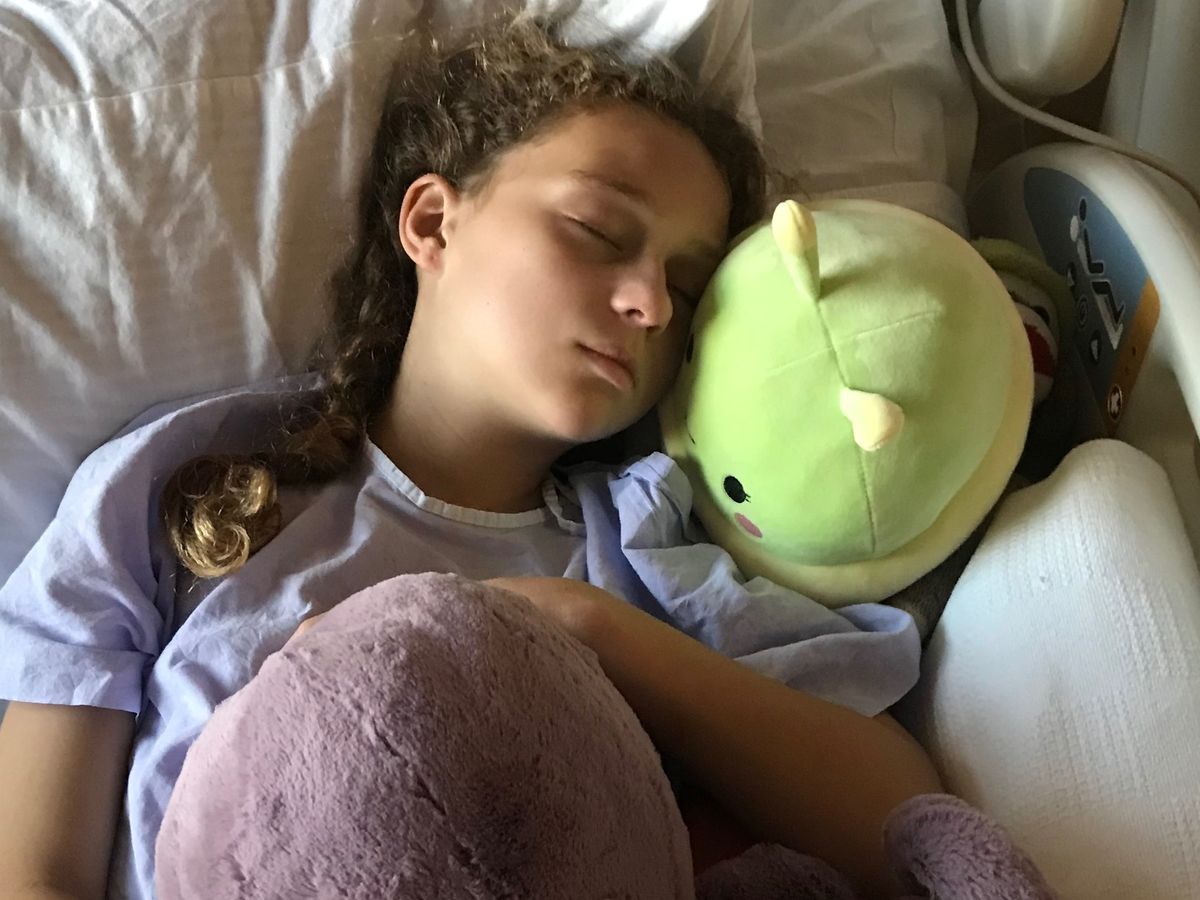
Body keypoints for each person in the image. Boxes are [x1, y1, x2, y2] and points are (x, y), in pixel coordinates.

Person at [0, 14, 941, 900]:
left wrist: (589, 627)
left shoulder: (643, 554)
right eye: (600, 233)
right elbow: (31, 869)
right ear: (431, 223)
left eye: (688, 287)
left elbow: (911, 827)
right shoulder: (191, 483)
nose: (651, 304)